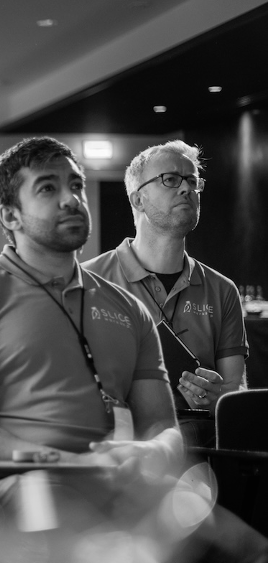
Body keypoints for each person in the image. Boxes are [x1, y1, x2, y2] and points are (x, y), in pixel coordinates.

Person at [0, 137, 266, 563]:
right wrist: (52, 459)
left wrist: (151, 455)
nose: (71, 198)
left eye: (76, 185)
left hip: (121, 488)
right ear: (10, 214)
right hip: (14, 491)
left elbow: (161, 428)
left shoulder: (127, 308)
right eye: (48, 188)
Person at [84, 141, 247, 412]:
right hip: (118, 442)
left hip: (198, 446)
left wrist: (218, 399)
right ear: (138, 199)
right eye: (170, 179)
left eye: (192, 181)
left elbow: (235, 393)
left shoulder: (223, 290)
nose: (186, 189)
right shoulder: (88, 280)